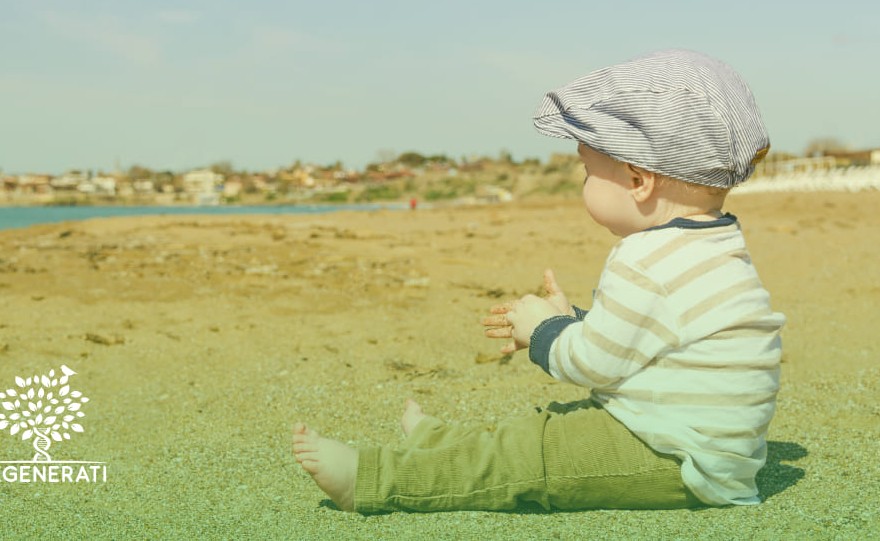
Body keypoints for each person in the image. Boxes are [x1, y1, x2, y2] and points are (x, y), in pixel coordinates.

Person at [292, 49, 786, 513]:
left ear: (639, 181)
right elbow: (650, 339)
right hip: (704, 447)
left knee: (532, 455)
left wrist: (544, 333)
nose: (583, 182)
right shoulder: (716, 244)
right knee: (548, 426)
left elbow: (594, 365)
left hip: (675, 458)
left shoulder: (644, 258)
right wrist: (572, 320)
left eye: (589, 171)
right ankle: (441, 442)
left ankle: (373, 479)